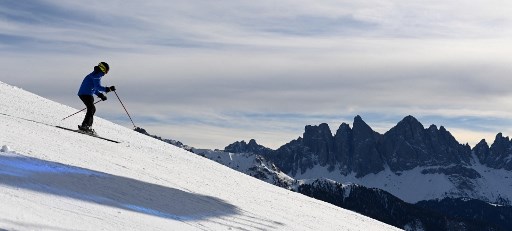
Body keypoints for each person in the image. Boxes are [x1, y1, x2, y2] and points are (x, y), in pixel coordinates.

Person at [77, 62, 115, 135]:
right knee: (91, 108)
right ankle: (86, 126)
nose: (106, 73)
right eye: (107, 71)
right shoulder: (97, 75)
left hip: (86, 94)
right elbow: (98, 87)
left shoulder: (96, 74)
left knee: (92, 109)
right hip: (85, 94)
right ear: (103, 69)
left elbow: (93, 87)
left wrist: (100, 95)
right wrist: (108, 89)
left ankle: (86, 126)